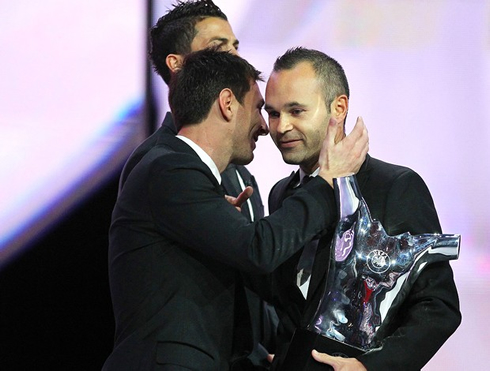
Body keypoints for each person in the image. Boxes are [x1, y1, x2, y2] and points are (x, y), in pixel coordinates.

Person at [103, 49, 368, 370]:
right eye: (260, 109)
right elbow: (259, 250)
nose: (265, 126)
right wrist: (327, 182)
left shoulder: (183, 173)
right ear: (227, 104)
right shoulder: (171, 168)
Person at [262, 47, 461, 370]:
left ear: (338, 108)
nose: (281, 126)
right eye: (273, 113)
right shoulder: (282, 195)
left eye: (296, 111)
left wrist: (371, 367)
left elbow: (438, 306)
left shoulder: (395, 186)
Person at [118, 0, 275, 365]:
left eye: (236, 46)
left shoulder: (240, 174)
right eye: (221, 47)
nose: (235, 57)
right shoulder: (160, 162)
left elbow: (246, 279)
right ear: (178, 63)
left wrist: (261, 351)